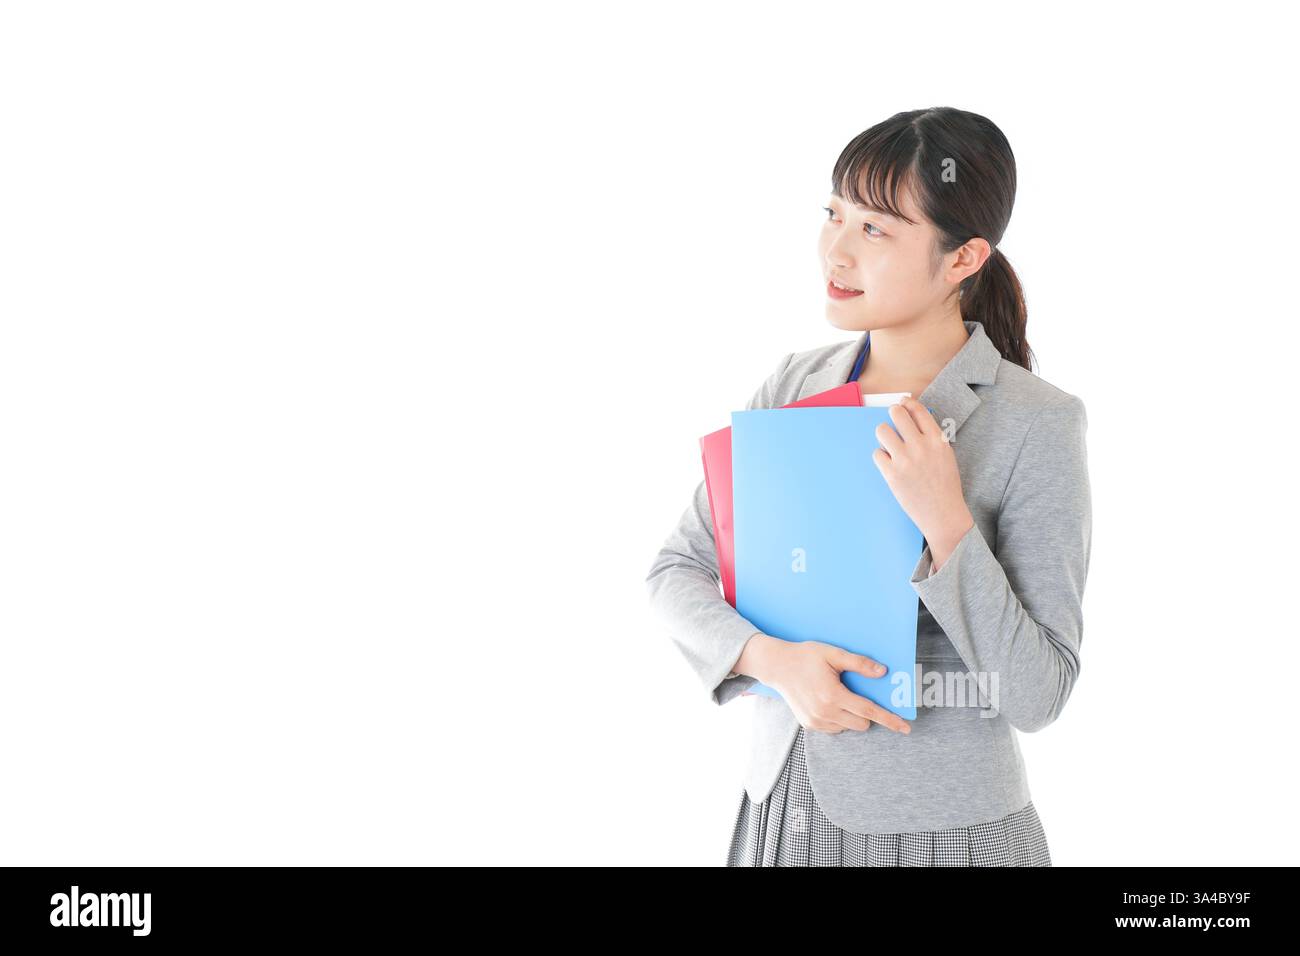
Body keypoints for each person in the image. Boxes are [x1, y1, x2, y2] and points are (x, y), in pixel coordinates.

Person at [645, 107, 1092, 866]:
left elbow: (1039, 691)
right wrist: (771, 660)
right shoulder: (793, 383)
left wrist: (947, 524)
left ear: (963, 258)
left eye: (876, 229)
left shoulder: (1034, 422)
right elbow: (676, 572)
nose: (837, 251)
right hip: (780, 815)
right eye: (833, 215)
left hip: (946, 835)